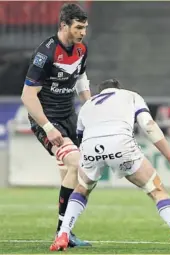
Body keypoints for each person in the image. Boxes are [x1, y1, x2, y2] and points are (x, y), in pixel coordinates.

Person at [49, 79, 170, 253]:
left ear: (100, 92)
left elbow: (81, 137)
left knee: (81, 189)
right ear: (119, 89)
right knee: (156, 189)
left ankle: (63, 234)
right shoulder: (130, 96)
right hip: (121, 145)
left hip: (90, 147)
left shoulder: (88, 104)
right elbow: (149, 126)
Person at [21, 3, 91, 247]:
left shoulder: (81, 49)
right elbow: (28, 96)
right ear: (64, 25)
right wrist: (48, 128)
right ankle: (63, 232)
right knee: (77, 164)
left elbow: (81, 79)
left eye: (85, 28)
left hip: (69, 116)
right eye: (78, 27)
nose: (82, 32)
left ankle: (65, 233)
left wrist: (91, 110)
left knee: (79, 175)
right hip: (47, 119)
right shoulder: (46, 54)